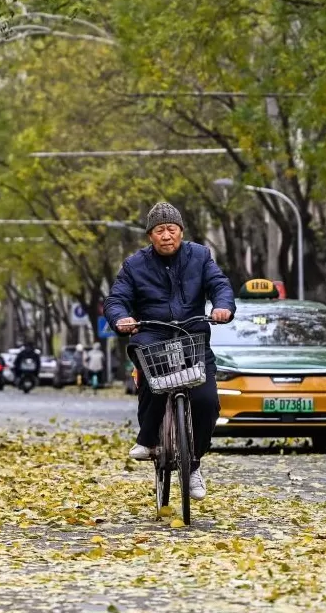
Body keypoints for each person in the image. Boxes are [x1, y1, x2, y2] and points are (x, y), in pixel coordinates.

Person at [104, 202, 235, 501]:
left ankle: (194, 463)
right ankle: (148, 439)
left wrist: (223, 306)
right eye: (160, 230)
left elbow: (219, 285)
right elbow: (116, 299)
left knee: (207, 402)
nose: (166, 235)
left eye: (171, 229)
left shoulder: (200, 256)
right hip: (152, 335)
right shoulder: (134, 265)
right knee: (152, 379)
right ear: (150, 235)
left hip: (192, 337)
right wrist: (121, 318)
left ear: (181, 231)